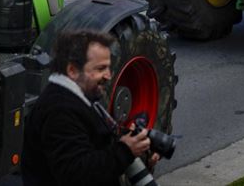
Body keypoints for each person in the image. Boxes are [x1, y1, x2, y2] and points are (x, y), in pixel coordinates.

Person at [20, 30, 157, 186]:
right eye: (100, 69)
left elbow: (94, 146)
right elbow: (77, 173)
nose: (108, 76)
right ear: (72, 70)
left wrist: (133, 145)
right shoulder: (60, 111)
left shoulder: (78, 99)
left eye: (108, 68)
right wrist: (125, 150)